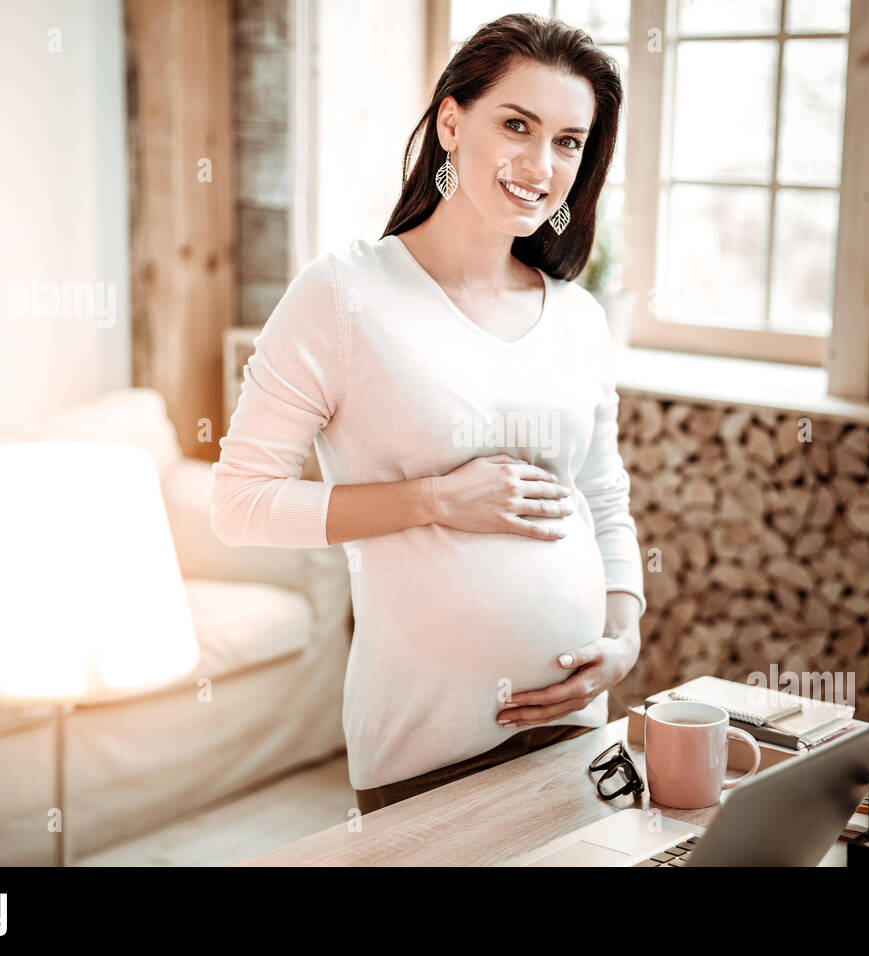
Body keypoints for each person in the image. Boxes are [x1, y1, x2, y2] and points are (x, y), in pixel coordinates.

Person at [211, 13, 645, 815]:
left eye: (568, 142)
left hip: (578, 730)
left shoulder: (579, 317)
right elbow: (240, 503)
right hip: (426, 748)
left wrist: (622, 637)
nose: (540, 164)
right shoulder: (343, 297)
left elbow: (604, 500)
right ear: (451, 121)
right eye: (516, 125)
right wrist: (435, 500)